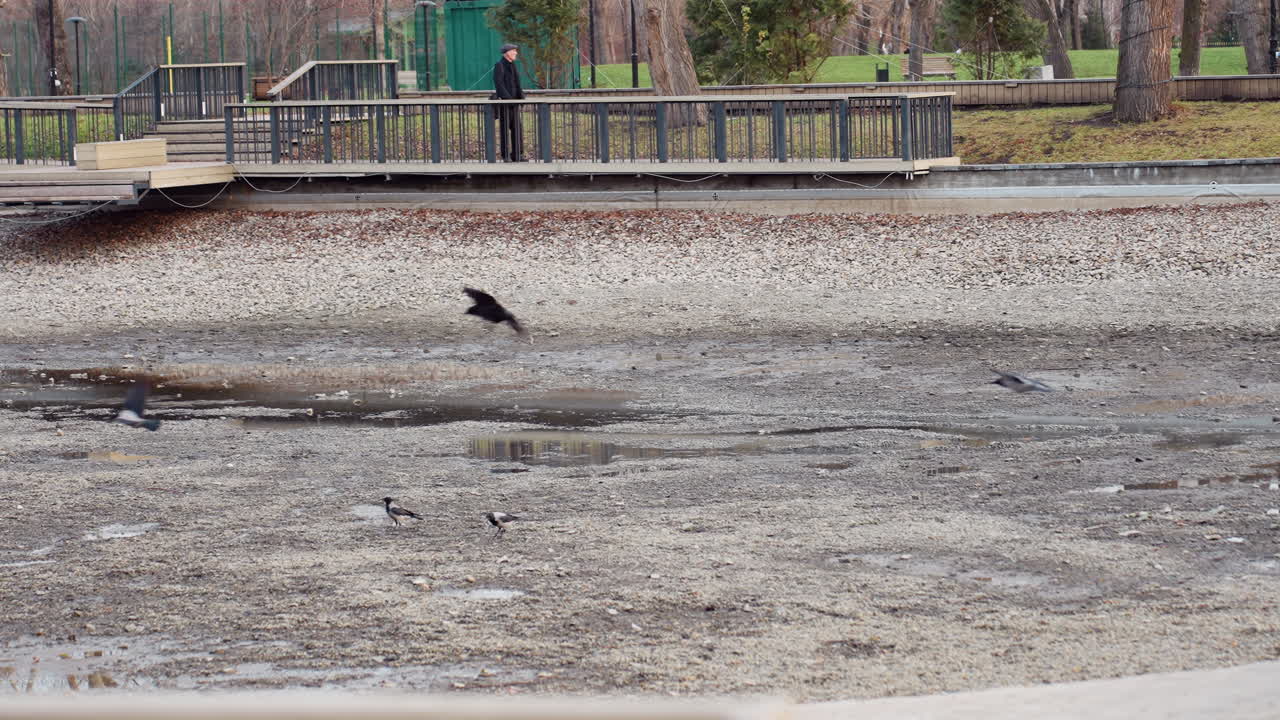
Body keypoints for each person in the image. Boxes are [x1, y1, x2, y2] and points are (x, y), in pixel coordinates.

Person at [492, 43, 525, 162]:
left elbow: (517, 83)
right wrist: (509, 100)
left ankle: (517, 155)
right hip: (505, 104)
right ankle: (505, 156)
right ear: (507, 53)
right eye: (514, 51)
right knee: (504, 129)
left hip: (514, 104)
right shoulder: (499, 65)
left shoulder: (513, 65)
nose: (516, 53)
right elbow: (499, 85)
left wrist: (521, 98)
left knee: (517, 129)